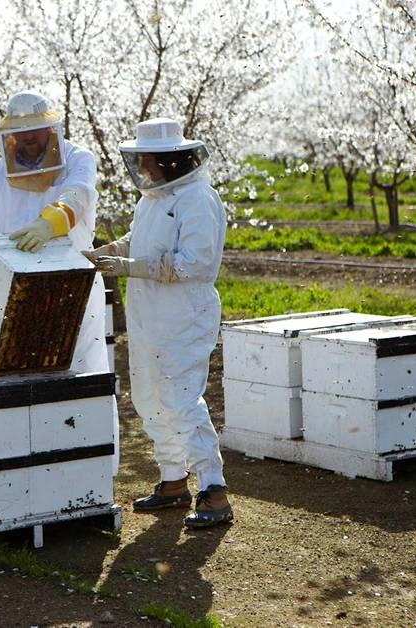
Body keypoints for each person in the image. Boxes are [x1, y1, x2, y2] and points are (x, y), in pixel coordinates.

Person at [82, 117, 232, 528]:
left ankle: (214, 489)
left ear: (169, 160)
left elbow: (196, 264)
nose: (142, 167)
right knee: (149, 398)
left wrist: (130, 267)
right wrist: (112, 250)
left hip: (185, 314)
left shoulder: (198, 199)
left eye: (148, 159)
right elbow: (140, 241)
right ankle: (172, 480)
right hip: (148, 314)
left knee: (181, 399)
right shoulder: (150, 199)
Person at [0, 90, 120, 474]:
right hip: (18, 292)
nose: (27, 139)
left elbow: (79, 195)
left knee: (84, 373)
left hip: (73, 284)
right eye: (20, 132)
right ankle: (37, 476)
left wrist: (48, 223)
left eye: (35, 131)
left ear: (51, 128)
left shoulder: (78, 160)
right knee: (23, 376)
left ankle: (95, 471)